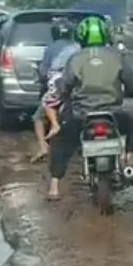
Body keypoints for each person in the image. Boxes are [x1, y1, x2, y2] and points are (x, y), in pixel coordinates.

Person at [46, 15, 133, 200]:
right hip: (113, 114)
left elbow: (64, 85)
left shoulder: (75, 59)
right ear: (106, 34)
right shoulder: (117, 56)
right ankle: (128, 160)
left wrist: (63, 96)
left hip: (82, 115)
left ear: (80, 36)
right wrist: (128, 92)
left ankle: (54, 186)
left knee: (61, 142)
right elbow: (132, 84)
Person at [30, 19, 80, 163]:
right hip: (77, 87)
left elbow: (44, 71)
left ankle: (43, 146)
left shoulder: (50, 48)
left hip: (58, 87)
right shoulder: (78, 47)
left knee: (38, 117)